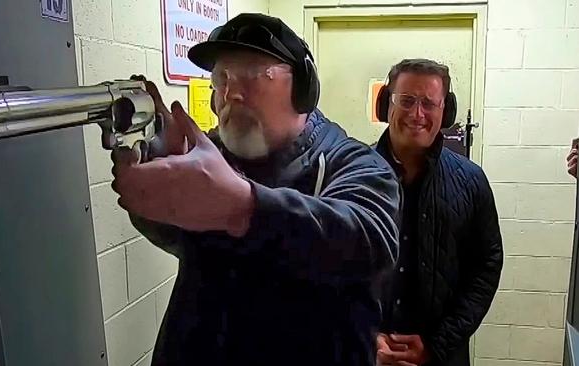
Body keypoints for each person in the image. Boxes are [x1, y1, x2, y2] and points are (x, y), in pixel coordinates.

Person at [110, 13, 401, 366]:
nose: (231, 93)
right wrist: (155, 185)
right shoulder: (208, 154)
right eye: (222, 78)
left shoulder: (355, 164)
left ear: (303, 89)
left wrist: (244, 207)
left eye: (251, 76)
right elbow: (180, 237)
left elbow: (367, 240)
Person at [372, 59, 503, 366]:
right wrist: (364, 335)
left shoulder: (471, 181)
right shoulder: (352, 174)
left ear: (446, 111)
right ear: (385, 106)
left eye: (429, 103)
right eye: (406, 101)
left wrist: (437, 345)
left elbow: (486, 268)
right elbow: (329, 268)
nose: (417, 114)